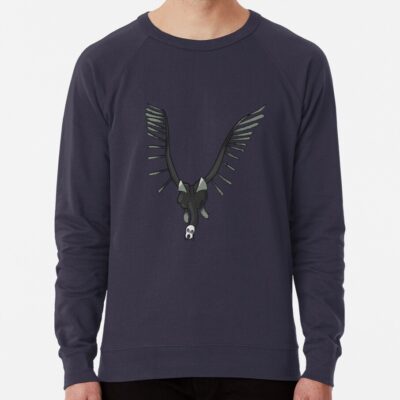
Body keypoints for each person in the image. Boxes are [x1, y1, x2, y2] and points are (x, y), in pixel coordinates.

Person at [53, 0, 345, 399]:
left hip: (262, 368)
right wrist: (76, 363)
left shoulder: (299, 65)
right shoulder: (103, 66)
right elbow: (82, 228)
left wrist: (321, 361)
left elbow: (318, 227)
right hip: (135, 370)